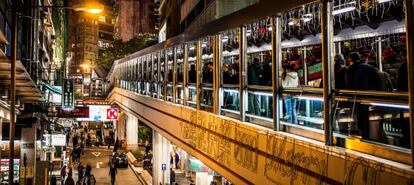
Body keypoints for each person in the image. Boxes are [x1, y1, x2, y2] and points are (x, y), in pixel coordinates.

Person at [346, 52, 381, 139]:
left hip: (355, 101)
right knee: (368, 121)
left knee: (358, 121)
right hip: (370, 101)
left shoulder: (350, 70)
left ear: (351, 60)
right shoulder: (370, 68)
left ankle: (360, 137)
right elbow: (378, 83)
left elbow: (348, 86)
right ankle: (369, 138)